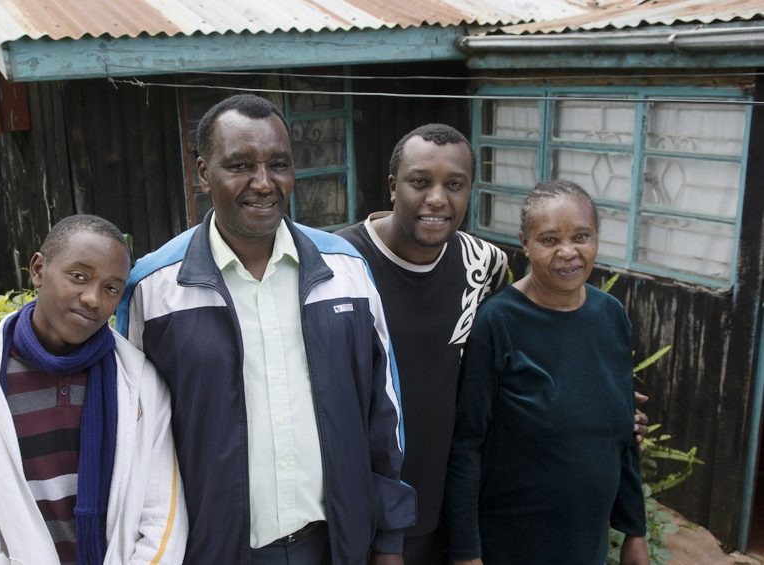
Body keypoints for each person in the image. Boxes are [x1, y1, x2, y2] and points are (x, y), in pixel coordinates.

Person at [116, 94, 414, 564]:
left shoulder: (346, 270)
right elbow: (131, 438)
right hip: (211, 552)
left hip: (335, 545)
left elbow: (384, 412)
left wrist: (389, 539)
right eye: (239, 165)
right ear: (202, 173)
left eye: (278, 164)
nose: (263, 183)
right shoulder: (154, 289)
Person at [0, 214, 187, 565]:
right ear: (38, 270)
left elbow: (163, 519)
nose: (94, 299)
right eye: (79, 276)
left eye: (111, 288)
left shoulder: (141, 382)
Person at [444, 180, 649, 565]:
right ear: (525, 243)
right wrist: (466, 552)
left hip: (586, 541)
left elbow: (623, 433)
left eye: (581, 237)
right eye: (549, 239)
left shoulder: (611, 316)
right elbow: (467, 445)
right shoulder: (498, 322)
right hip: (511, 540)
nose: (568, 252)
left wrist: (635, 530)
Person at [335, 124, 507, 565]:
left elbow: (513, 356)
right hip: (354, 514)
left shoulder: (484, 265)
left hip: (447, 510)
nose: (437, 198)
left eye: (454, 185)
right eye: (420, 182)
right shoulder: (337, 262)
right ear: (393, 187)